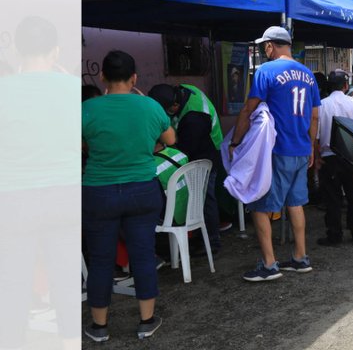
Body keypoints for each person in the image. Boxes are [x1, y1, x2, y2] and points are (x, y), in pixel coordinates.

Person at [82, 50, 175, 341]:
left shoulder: (87, 109)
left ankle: (99, 327)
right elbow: (170, 140)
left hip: (99, 191)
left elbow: (80, 146)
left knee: (100, 259)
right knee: (143, 254)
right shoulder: (149, 106)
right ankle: (146, 320)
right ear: (134, 77)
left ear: (102, 77)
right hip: (142, 190)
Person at [230, 26, 320, 281]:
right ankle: (300, 258)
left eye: (264, 47)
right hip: (301, 148)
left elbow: (248, 110)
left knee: (259, 205)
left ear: (270, 46)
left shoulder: (265, 71)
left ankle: (269, 264)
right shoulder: (308, 74)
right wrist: (311, 146)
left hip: (277, 149)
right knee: (296, 203)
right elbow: (314, 116)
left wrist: (236, 141)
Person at [147, 81, 227, 254]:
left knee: (205, 199)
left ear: (175, 105)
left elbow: (183, 147)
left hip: (206, 154)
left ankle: (212, 241)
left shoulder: (194, 118)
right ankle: (196, 234)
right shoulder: (183, 90)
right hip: (197, 148)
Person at [315, 70, 353, 246]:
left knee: (332, 198)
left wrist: (316, 156)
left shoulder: (321, 105)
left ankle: (334, 235)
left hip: (328, 157)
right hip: (351, 156)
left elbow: (314, 135)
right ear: (346, 86)